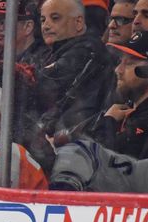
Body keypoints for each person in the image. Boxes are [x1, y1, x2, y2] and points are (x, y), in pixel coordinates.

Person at [36, 0, 114, 134]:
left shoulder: (86, 50)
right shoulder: (58, 51)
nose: (46, 26)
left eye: (55, 18)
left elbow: (47, 83)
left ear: (78, 23)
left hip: (77, 140)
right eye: (43, 20)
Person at [89, 30, 148, 159]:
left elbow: (105, 161)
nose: (118, 70)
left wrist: (108, 122)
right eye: (120, 61)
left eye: (130, 63)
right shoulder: (122, 108)